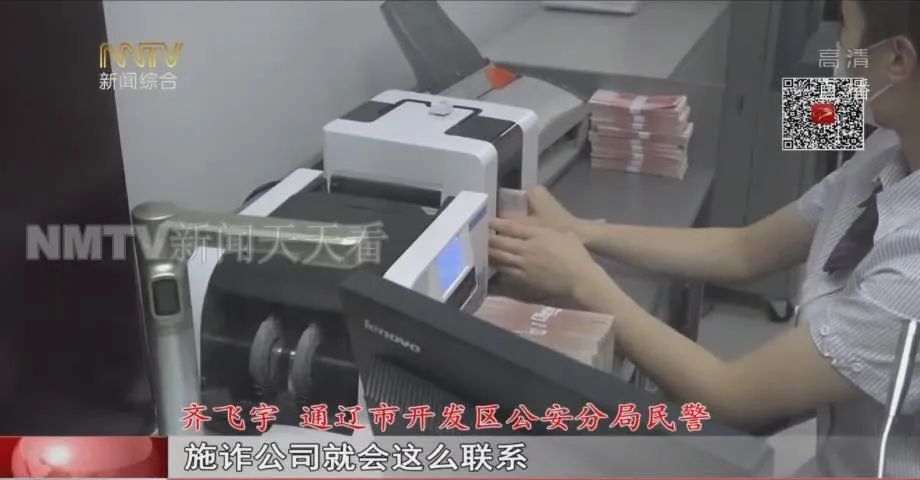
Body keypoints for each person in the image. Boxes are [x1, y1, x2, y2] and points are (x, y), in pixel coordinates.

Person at [489, 0, 920, 476]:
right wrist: (583, 231)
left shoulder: (911, 274)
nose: (836, 49)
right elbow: (744, 250)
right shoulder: (889, 145)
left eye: (844, 29)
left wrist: (580, 280)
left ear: (898, 59)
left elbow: (732, 397)